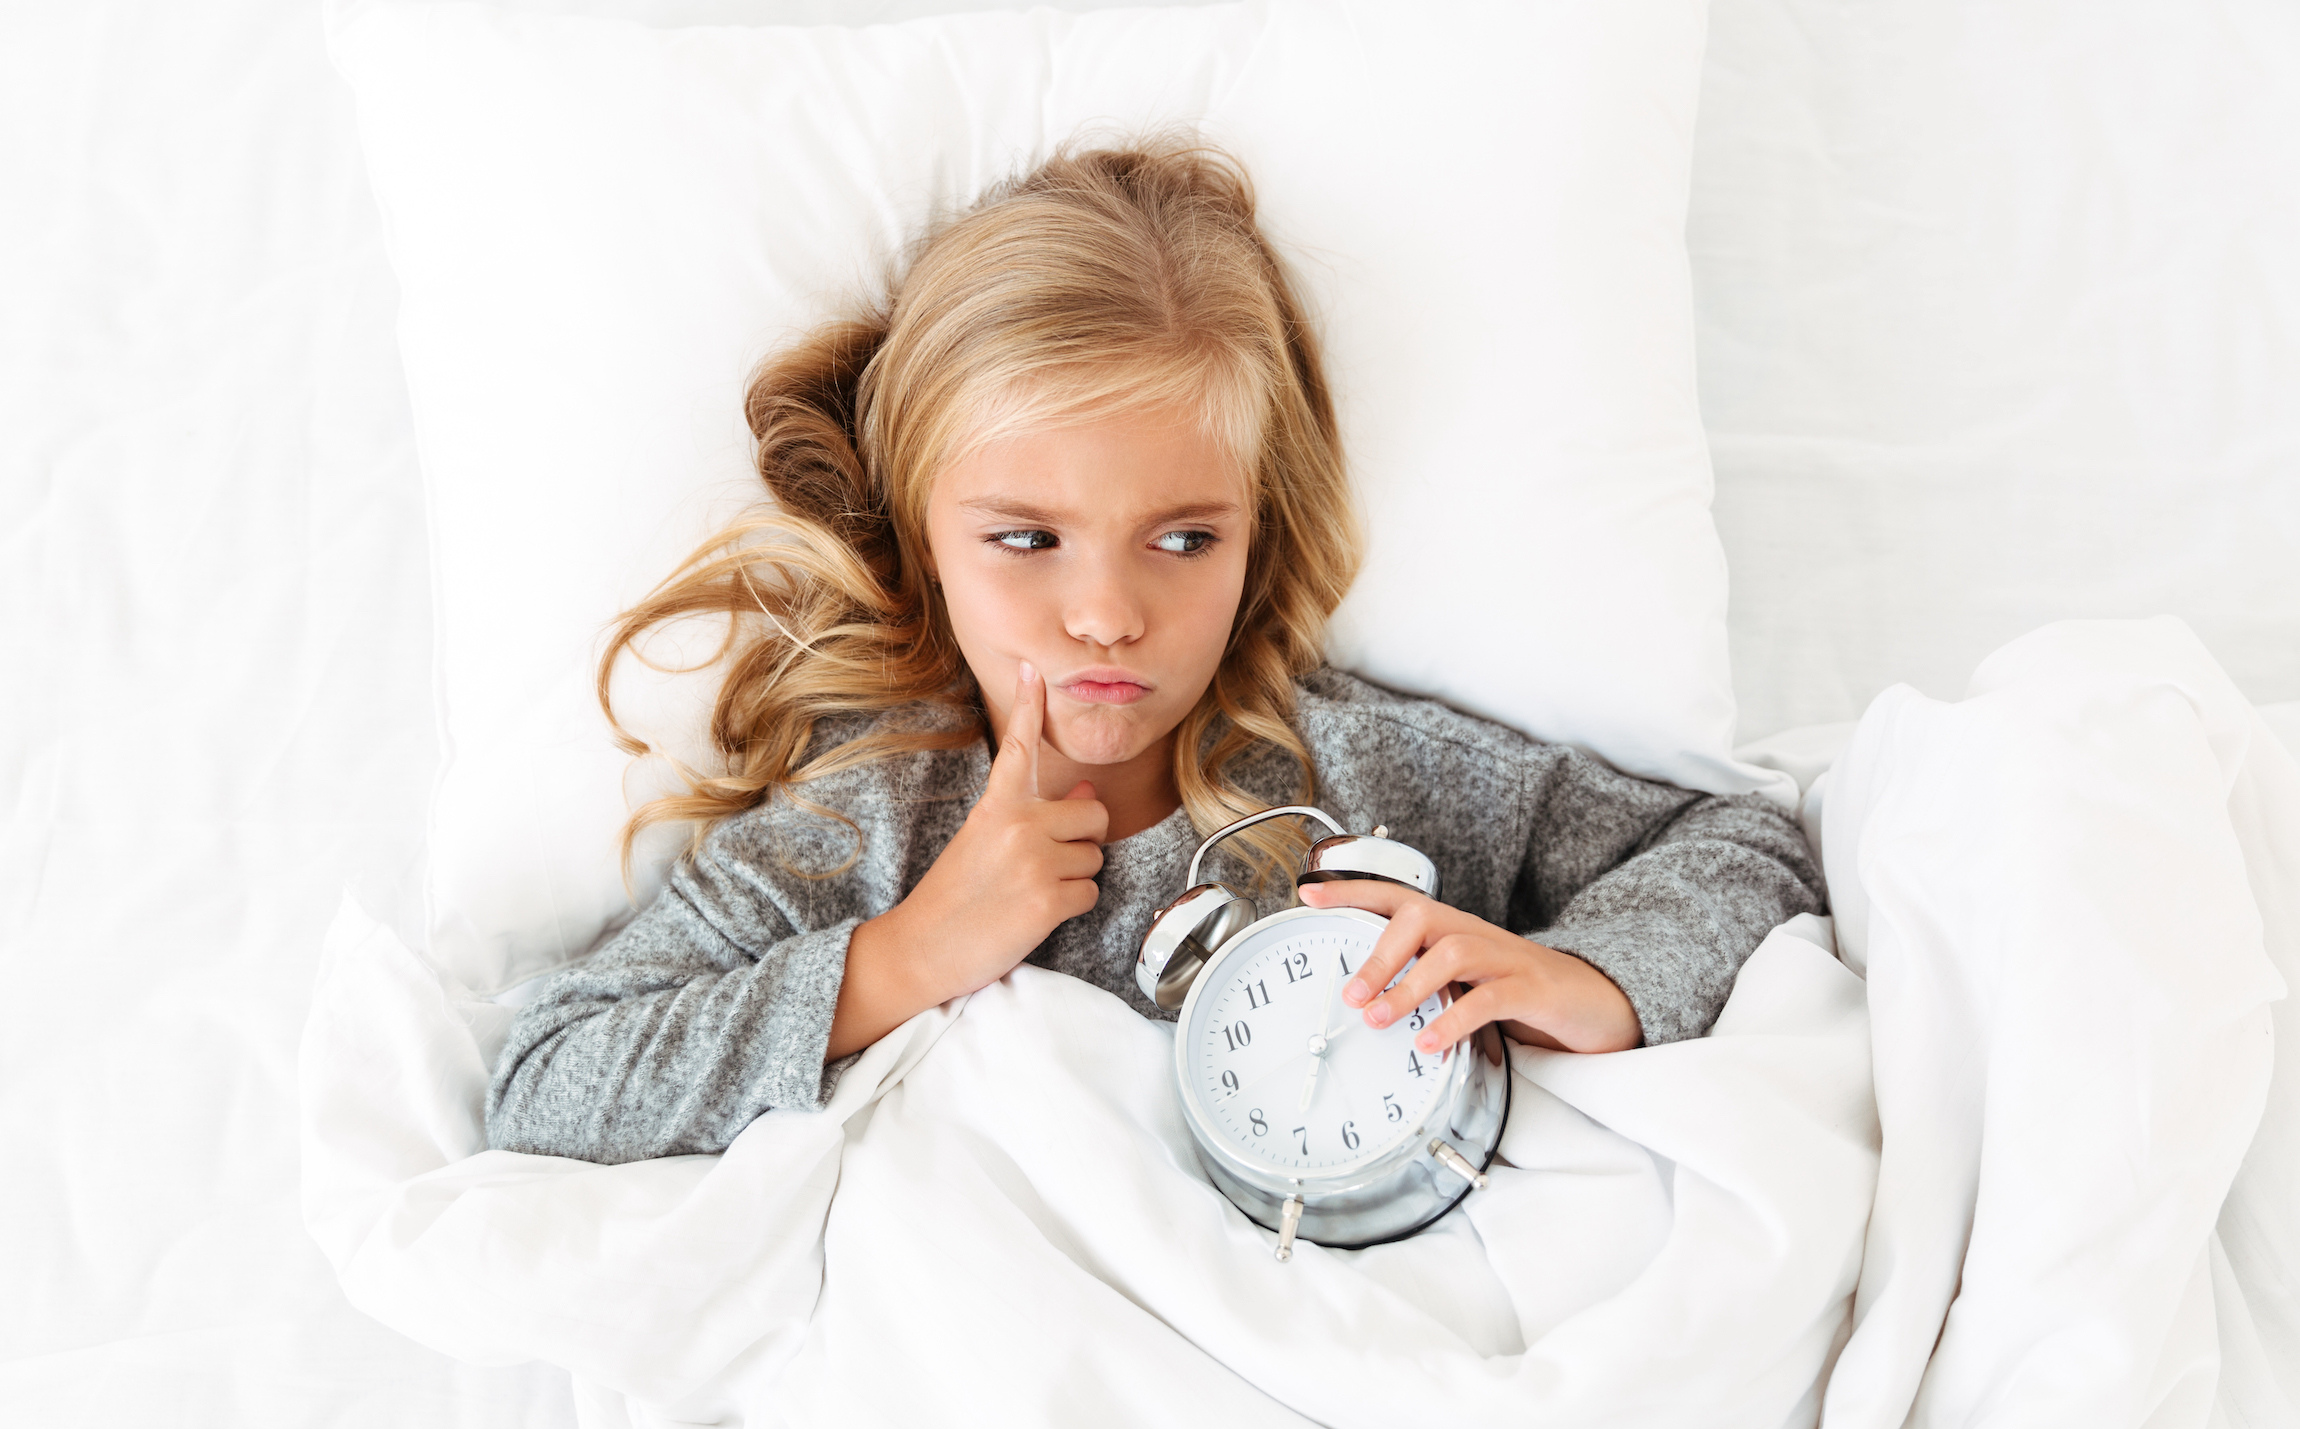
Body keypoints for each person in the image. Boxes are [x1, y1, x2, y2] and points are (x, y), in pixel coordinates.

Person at [485, 137, 1825, 1166]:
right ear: (920, 532)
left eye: (1182, 541)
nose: (1109, 615)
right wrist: (902, 957)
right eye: (1027, 539)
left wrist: (1582, 977)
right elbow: (546, 1078)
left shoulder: (1362, 771)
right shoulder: (865, 824)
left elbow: (1744, 847)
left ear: (1257, 535)